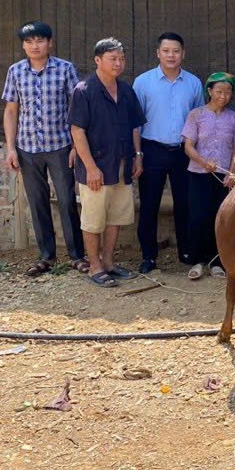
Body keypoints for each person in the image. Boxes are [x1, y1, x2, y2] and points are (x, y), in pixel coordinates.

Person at [1, 21, 88, 277]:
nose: (34, 46)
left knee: (66, 200)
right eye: (29, 42)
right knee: (37, 202)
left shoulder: (65, 70)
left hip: (60, 146)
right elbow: (11, 110)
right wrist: (10, 148)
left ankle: (76, 255)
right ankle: (46, 256)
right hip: (28, 148)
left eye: (39, 41)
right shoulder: (15, 71)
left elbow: (77, 109)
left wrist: (75, 146)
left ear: (49, 43)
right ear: (23, 45)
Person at [69, 38, 146, 288]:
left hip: (122, 165)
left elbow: (135, 125)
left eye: (121, 58)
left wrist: (137, 155)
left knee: (116, 217)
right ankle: (94, 266)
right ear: (98, 60)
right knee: (93, 219)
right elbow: (77, 131)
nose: (118, 63)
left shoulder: (125, 90)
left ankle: (110, 262)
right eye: (113, 58)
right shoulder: (84, 91)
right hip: (97, 167)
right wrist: (90, 167)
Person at [133, 32, 204, 275]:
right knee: (149, 204)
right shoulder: (142, 82)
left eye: (176, 51)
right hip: (151, 149)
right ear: (158, 53)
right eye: (166, 51)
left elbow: (198, 121)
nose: (171, 55)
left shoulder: (194, 83)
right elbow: (135, 122)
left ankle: (187, 252)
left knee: (185, 204)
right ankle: (149, 256)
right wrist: (138, 154)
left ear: (183, 53)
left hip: (183, 151)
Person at [182, 72, 235, 278]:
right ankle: (198, 261)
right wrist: (203, 162)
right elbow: (188, 146)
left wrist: (234, 171)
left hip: (225, 177)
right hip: (198, 175)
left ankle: (217, 262)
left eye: (228, 92)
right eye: (219, 91)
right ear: (209, 91)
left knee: (221, 218)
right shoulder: (196, 115)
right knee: (198, 216)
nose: (223, 96)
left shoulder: (234, 118)